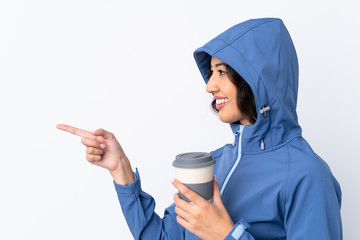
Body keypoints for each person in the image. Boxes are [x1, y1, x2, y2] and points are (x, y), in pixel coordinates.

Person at [57, 18, 342, 239]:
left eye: (221, 72)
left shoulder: (308, 174)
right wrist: (121, 169)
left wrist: (226, 235)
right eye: (211, 72)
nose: (209, 85)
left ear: (259, 80)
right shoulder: (215, 162)